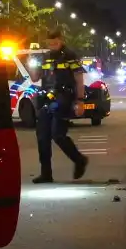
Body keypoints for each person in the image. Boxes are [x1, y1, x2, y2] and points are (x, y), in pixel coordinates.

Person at [31, 29, 89, 184]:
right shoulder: (45, 57)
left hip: (64, 98)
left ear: (61, 40)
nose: (53, 46)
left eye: (55, 42)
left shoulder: (70, 56)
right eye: (50, 43)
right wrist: (32, 63)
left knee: (58, 135)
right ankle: (46, 173)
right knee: (42, 137)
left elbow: (79, 78)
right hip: (46, 99)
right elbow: (35, 77)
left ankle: (79, 160)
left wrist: (80, 100)